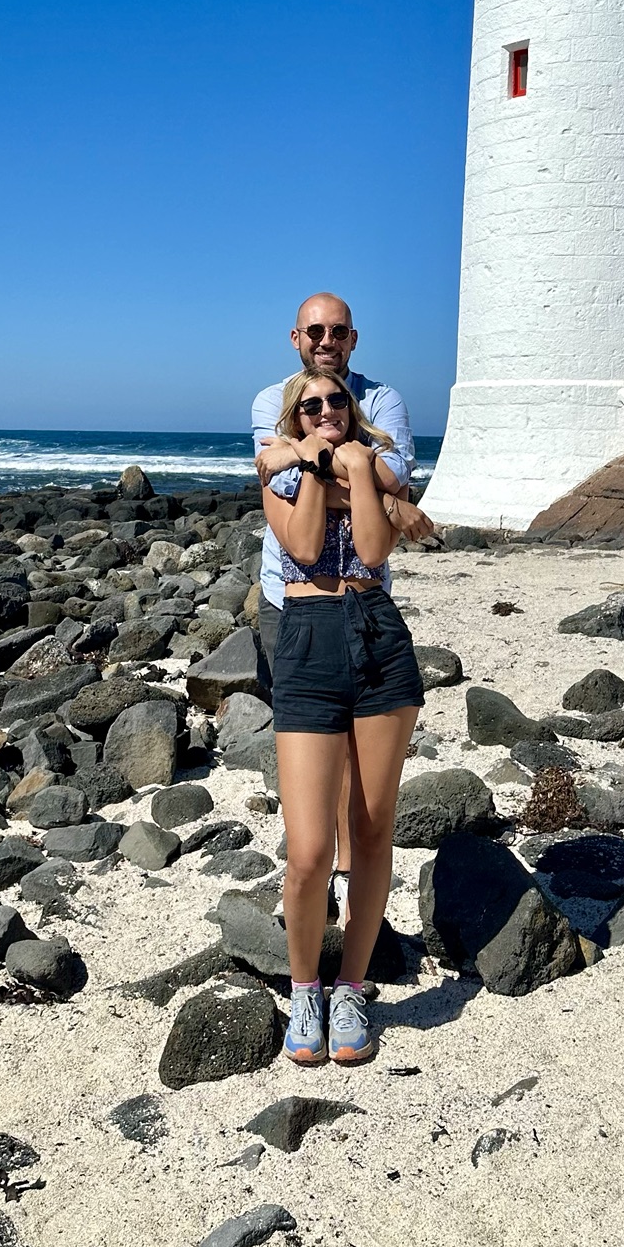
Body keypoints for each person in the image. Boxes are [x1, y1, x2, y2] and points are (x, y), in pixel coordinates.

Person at [260, 366, 424, 1068]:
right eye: (310, 406)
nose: (325, 409)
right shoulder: (278, 470)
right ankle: (305, 988)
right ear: (295, 418)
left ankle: (351, 987)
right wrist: (335, 466)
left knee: (373, 824)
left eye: (336, 403)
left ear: (352, 410)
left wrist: (357, 464)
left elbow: (371, 550)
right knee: (307, 855)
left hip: (377, 635)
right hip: (305, 638)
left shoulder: (364, 461)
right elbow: (300, 548)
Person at [252, 294, 432, 916]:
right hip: (290, 599)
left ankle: (352, 877)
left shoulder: (379, 400)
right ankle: (314, 871)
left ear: (354, 338)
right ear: (295, 337)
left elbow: (395, 471)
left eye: (338, 331)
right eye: (315, 331)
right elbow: (278, 477)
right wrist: (373, 492)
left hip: (362, 601)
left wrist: (353, 479)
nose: (326, 340)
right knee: (311, 742)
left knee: (359, 755)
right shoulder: (272, 398)